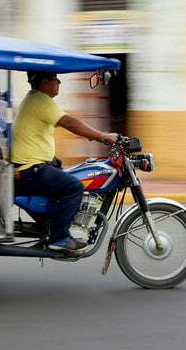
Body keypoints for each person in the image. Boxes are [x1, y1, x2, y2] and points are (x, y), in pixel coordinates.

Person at [12, 71, 118, 254]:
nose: (59, 81)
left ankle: (53, 223)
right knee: (75, 187)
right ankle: (59, 238)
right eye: (54, 78)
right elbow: (70, 123)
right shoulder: (41, 101)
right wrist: (103, 137)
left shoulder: (34, 99)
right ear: (44, 82)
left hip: (30, 167)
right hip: (31, 170)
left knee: (65, 172)